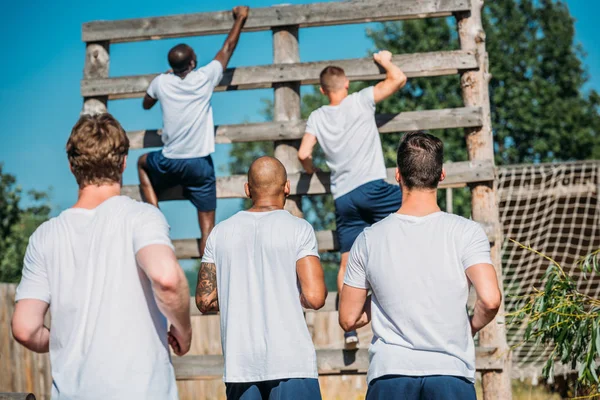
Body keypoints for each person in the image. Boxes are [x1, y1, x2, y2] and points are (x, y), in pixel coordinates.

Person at [11, 114, 192, 399]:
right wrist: (184, 330)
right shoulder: (142, 218)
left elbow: (24, 329)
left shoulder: (46, 236)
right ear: (123, 163)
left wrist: (64, 340)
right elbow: (167, 278)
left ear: (72, 166)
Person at [338, 131, 502, 400]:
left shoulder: (369, 239)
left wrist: (381, 299)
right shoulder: (466, 232)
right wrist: (470, 326)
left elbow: (348, 319)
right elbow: (491, 300)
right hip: (451, 371)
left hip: (390, 374)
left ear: (398, 175)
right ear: (441, 175)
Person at [297, 50, 407, 348]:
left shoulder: (317, 116)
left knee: (347, 260)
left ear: (322, 90)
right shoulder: (360, 100)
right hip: (373, 187)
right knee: (415, 209)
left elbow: (304, 153)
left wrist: (314, 171)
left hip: (343, 196)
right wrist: (384, 60)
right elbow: (398, 78)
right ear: (345, 83)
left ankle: (349, 327)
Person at [196, 156, 327, 400]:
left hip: (240, 366)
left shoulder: (220, 232)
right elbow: (315, 297)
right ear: (287, 187)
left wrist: (239, 295)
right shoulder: (299, 229)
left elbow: (204, 300)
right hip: (292, 363)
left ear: (247, 189)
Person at [138, 5, 250, 257]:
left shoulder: (161, 82)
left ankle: (156, 219)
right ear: (192, 62)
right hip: (199, 163)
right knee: (207, 228)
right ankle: (208, 285)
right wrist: (240, 19)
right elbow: (227, 48)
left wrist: (161, 82)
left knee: (142, 163)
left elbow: (146, 104)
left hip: (169, 161)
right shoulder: (203, 77)